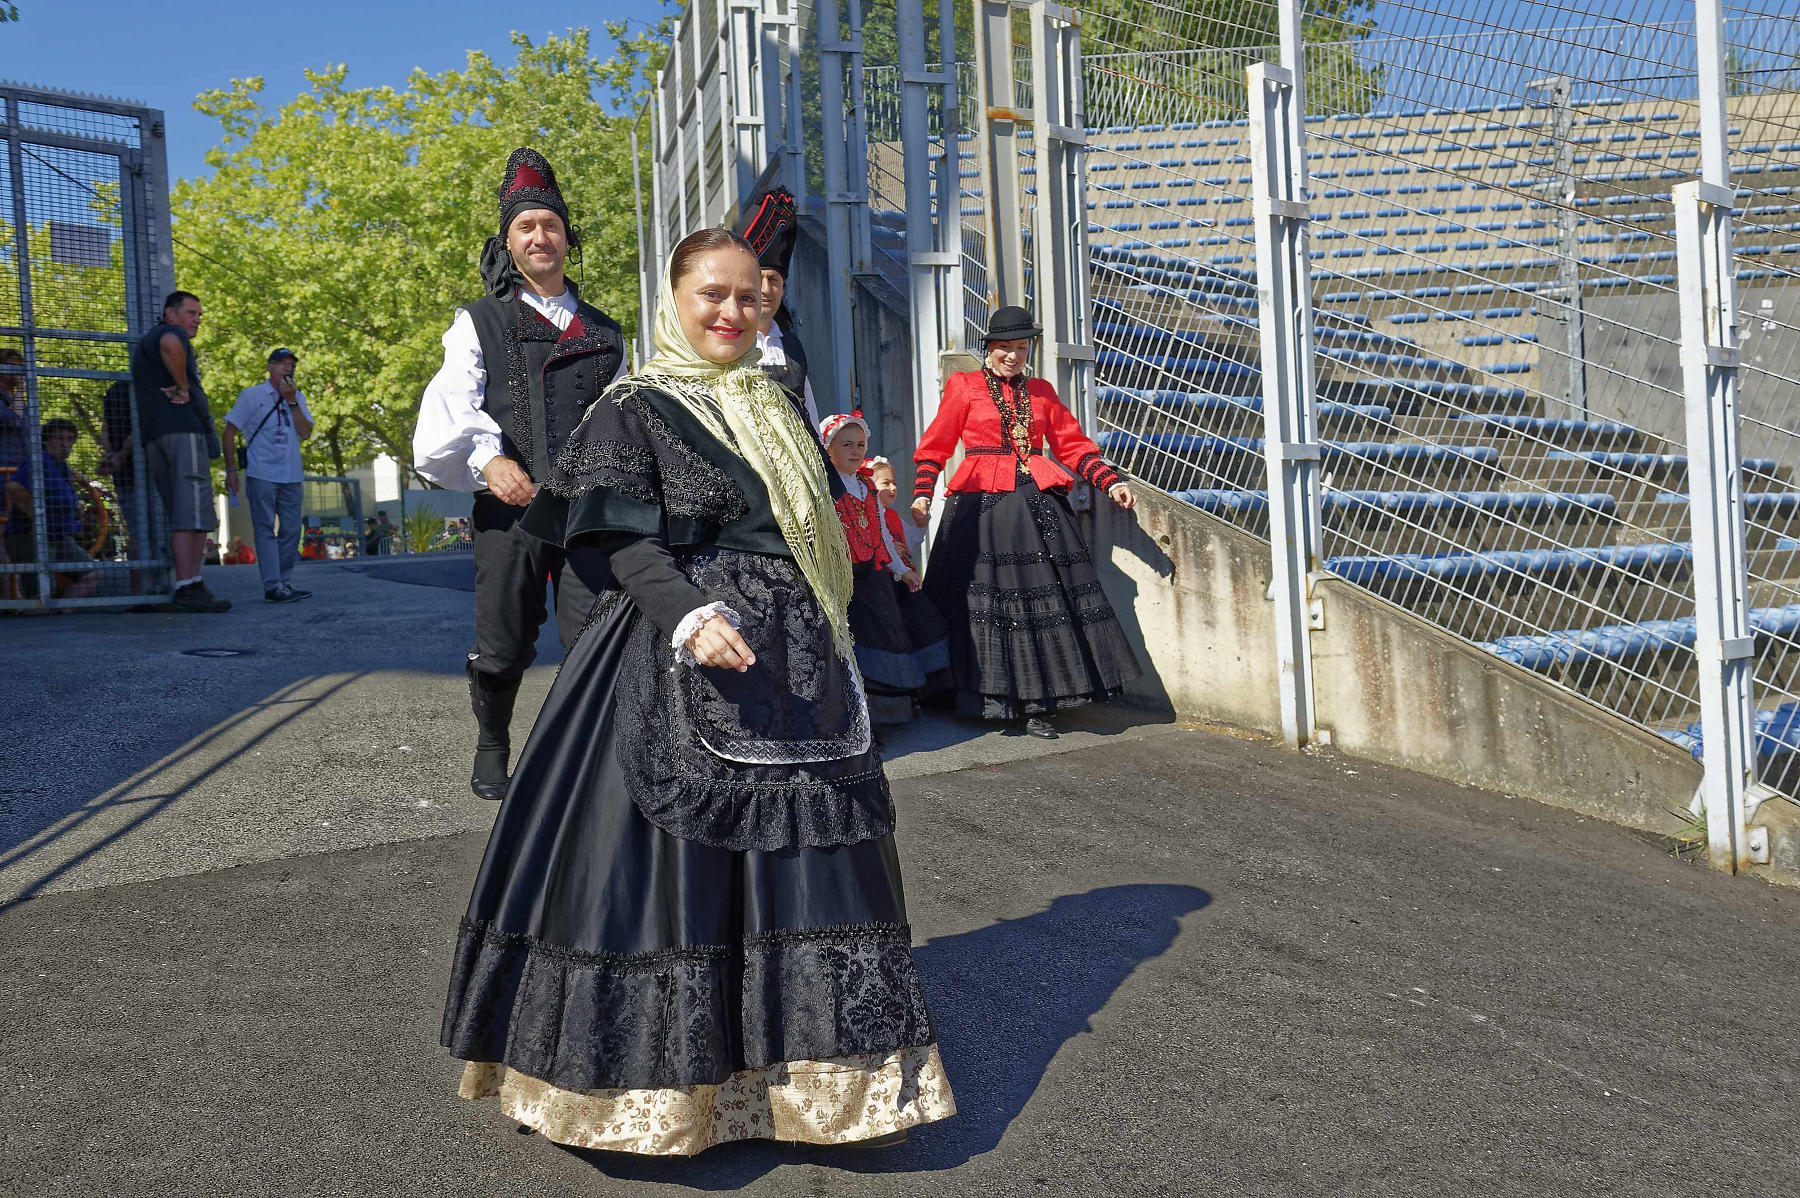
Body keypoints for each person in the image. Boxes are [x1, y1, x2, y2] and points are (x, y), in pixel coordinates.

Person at [441, 226, 954, 1155]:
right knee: (667, 867)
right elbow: (613, 537)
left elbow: (810, 524)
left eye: (749, 298)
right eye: (711, 295)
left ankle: (808, 1081)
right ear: (674, 300)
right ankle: (659, 1093)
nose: (731, 312)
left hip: (797, 661)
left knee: (807, 865)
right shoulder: (634, 404)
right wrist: (685, 613)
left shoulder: (776, 398)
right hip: (681, 646)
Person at [412, 147, 627, 802]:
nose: (540, 235)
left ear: (567, 238)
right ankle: (493, 739)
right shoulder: (479, 322)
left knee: (595, 634)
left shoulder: (608, 333)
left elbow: (624, 419)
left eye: (551, 225)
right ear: (509, 242)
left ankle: (587, 756)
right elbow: (448, 407)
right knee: (503, 643)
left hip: (585, 512)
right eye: (526, 226)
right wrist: (488, 459)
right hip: (510, 511)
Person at [910, 305, 1142, 739]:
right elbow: (934, 447)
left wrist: (1110, 483)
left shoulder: (1041, 391)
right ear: (989, 348)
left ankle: (1037, 702)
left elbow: (1072, 446)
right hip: (981, 512)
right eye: (1005, 347)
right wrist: (922, 493)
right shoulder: (964, 387)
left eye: (1021, 347)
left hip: (1037, 507)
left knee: (1039, 605)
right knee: (985, 604)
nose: (1013, 356)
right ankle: (970, 695)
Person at [820, 411, 940, 724]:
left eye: (860, 444)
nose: (856, 450)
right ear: (828, 448)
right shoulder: (825, 488)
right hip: (844, 580)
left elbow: (884, 535)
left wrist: (900, 568)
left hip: (874, 579)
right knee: (854, 647)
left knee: (885, 639)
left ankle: (888, 712)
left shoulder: (867, 489)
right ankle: (858, 718)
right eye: (847, 444)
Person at [130, 290, 230, 613]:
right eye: (190, 313)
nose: (196, 319)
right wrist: (184, 387)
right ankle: (188, 586)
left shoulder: (145, 343)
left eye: (199, 315)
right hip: (182, 433)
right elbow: (171, 346)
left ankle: (187, 584)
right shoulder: (169, 334)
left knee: (183, 512)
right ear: (170, 313)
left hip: (156, 436)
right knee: (195, 512)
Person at [223, 348, 314, 604]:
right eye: (283, 364)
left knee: (292, 530)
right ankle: (272, 585)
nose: (288, 369)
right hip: (261, 472)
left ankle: (284, 582)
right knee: (264, 529)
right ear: (269, 367)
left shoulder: (298, 397)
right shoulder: (252, 395)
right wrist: (231, 471)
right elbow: (229, 432)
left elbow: (306, 433)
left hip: (291, 474)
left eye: (291, 365)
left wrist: (292, 401)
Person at [738, 185, 821, 428]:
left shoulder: (793, 347)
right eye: (757, 279)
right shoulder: (726, 342)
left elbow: (811, 421)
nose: (765, 289)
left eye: (773, 280)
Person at [1, 417, 100, 598]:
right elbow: (13, 488)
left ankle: (65, 616)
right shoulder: (40, 462)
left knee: (91, 575)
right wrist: (38, 518)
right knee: (42, 597)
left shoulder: (62, 467)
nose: (65, 444)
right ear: (46, 441)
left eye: (70, 439)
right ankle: (39, 617)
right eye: (59, 438)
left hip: (59, 537)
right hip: (27, 537)